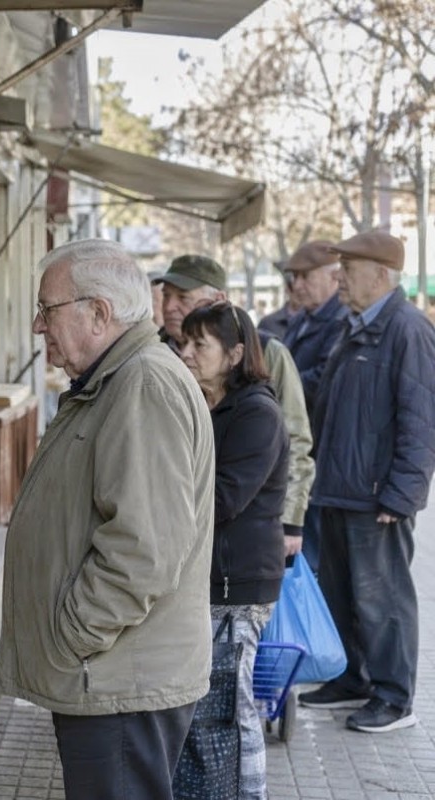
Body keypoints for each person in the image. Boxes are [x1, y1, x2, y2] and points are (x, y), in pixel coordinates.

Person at [0, 239, 215, 799]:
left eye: (48, 309)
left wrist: (75, 634)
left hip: (119, 676)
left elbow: (144, 549)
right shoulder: (117, 379)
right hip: (110, 671)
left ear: (99, 312)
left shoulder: (142, 383)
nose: (39, 327)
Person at [298, 230, 435, 733]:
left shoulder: (408, 330)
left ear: (380, 276)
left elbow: (422, 420)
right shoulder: (356, 327)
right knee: (341, 593)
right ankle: (353, 680)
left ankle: (395, 699)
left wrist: (403, 494)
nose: (339, 277)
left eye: (348, 269)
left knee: (384, 602)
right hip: (338, 489)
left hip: (377, 497)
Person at [177, 302, 289, 800]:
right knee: (206, 709)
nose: (186, 353)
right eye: (186, 343)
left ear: (236, 353)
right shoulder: (213, 406)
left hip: (237, 583)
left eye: (200, 345)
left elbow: (223, 500)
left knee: (233, 709)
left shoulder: (257, 414)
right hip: (210, 580)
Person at [154, 255, 312, 563]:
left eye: (183, 297)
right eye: (166, 295)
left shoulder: (266, 352)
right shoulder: (155, 354)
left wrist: (291, 521)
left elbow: (295, 438)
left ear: (219, 300)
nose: (170, 306)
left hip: (240, 537)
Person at [281, 240, 348, 571]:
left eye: (306, 277)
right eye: (295, 277)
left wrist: (279, 388)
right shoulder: (301, 319)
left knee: (314, 559)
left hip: (318, 452)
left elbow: (323, 378)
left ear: (333, 276)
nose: (298, 285)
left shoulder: (340, 320)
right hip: (296, 447)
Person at [257, 270, 300, 340]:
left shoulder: (315, 323)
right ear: (287, 289)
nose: (299, 292)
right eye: (293, 287)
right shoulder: (268, 324)